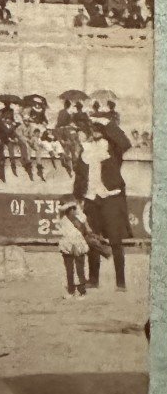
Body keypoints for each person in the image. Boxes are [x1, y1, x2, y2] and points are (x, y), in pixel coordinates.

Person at [73, 119, 133, 291]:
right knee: (93, 239)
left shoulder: (113, 150)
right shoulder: (86, 150)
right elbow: (79, 176)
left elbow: (125, 142)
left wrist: (108, 123)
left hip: (111, 198)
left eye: (99, 129)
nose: (95, 132)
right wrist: (78, 197)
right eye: (94, 129)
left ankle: (120, 283)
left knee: (115, 240)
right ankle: (93, 280)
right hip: (92, 198)